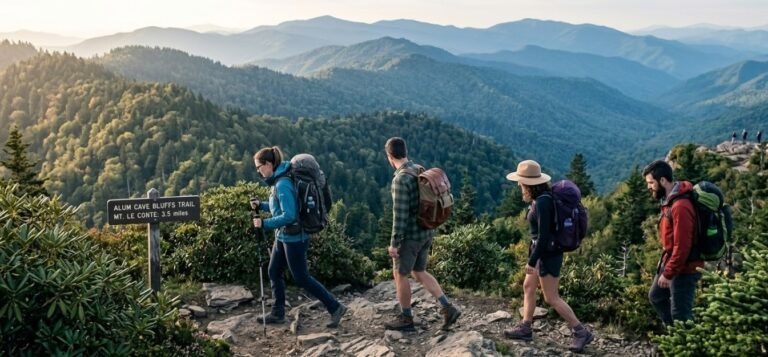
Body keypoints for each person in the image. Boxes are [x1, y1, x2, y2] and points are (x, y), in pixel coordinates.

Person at [251, 146, 347, 327]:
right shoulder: (280, 179)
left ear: (269, 164)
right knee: (273, 271)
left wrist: (264, 224)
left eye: (259, 167)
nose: (258, 171)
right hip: (283, 236)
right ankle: (278, 313)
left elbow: (290, 215)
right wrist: (261, 205)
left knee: (301, 277)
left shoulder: (282, 184)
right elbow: (279, 206)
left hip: (294, 237)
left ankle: (335, 307)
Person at [503, 160, 593, 353]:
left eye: (521, 182)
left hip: (548, 253)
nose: (519, 185)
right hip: (542, 250)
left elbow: (544, 236)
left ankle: (580, 332)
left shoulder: (543, 201)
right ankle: (526, 327)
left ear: (528, 184)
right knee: (528, 286)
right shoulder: (541, 198)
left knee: (551, 297)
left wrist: (532, 260)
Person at [382, 137, 461, 332]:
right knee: (419, 271)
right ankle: (447, 307)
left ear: (389, 156)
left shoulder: (400, 179)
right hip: (426, 231)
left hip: (410, 237)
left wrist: (394, 244)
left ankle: (406, 318)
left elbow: (399, 216)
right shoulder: (418, 168)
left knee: (400, 274)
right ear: (405, 151)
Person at [642, 160, 702, 326]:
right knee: (656, 296)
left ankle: (684, 344)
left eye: (651, 183)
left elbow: (683, 246)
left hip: (686, 267)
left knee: (680, 314)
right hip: (672, 262)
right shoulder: (670, 201)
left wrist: (669, 273)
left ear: (662, 181)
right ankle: (673, 338)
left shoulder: (680, 206)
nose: (649, 187)